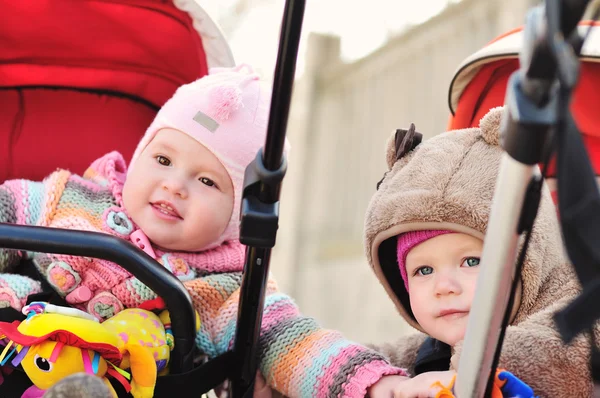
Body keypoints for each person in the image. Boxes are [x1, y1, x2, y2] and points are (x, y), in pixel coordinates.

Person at [0, 64, 408, 397]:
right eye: (162, 159)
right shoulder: (67, 196)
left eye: (208, 182)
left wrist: (373, 385)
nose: (175, 185)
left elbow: (293, 342)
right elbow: (6, 210)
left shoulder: (227, 288)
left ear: (238, 213)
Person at [364, 107, 591, 397]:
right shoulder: (430, 348)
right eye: (423, 270)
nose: (444, 288)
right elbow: (371, 361)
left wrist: (457, 382)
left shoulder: (578, 302)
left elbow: (555, 348)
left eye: (471, 261)